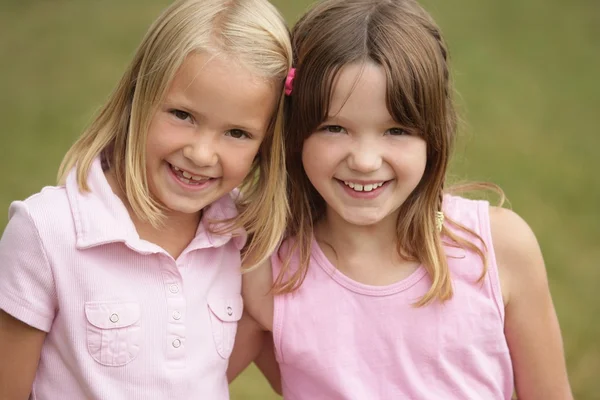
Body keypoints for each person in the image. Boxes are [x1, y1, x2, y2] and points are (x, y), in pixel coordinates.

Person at [241, 0, 573, 398]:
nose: (364, 161)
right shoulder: (264, 271)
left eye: (396, 131)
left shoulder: (499, 251)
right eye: (334, 128)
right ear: (294, 132)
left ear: (433, 135)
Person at [0, 0, 292, 398]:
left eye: (237, 133)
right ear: (139, 94)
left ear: (266, 144)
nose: (202, 154)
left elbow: (308, 375)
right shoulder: (47, 231)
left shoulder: (244, 241)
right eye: (183, 115)